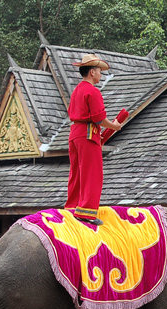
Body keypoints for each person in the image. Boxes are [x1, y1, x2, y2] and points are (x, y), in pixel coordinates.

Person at [66, 53, 122, 225]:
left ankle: (72, 206)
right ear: (92, 72)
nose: (100, 74)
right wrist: (114, 126)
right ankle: (87, 211)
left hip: (75, 133)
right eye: (99, 71)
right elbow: (98, 119)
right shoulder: (92, 91)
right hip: (88, 134)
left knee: (77, 172)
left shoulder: (77, 90)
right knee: (92, 173)